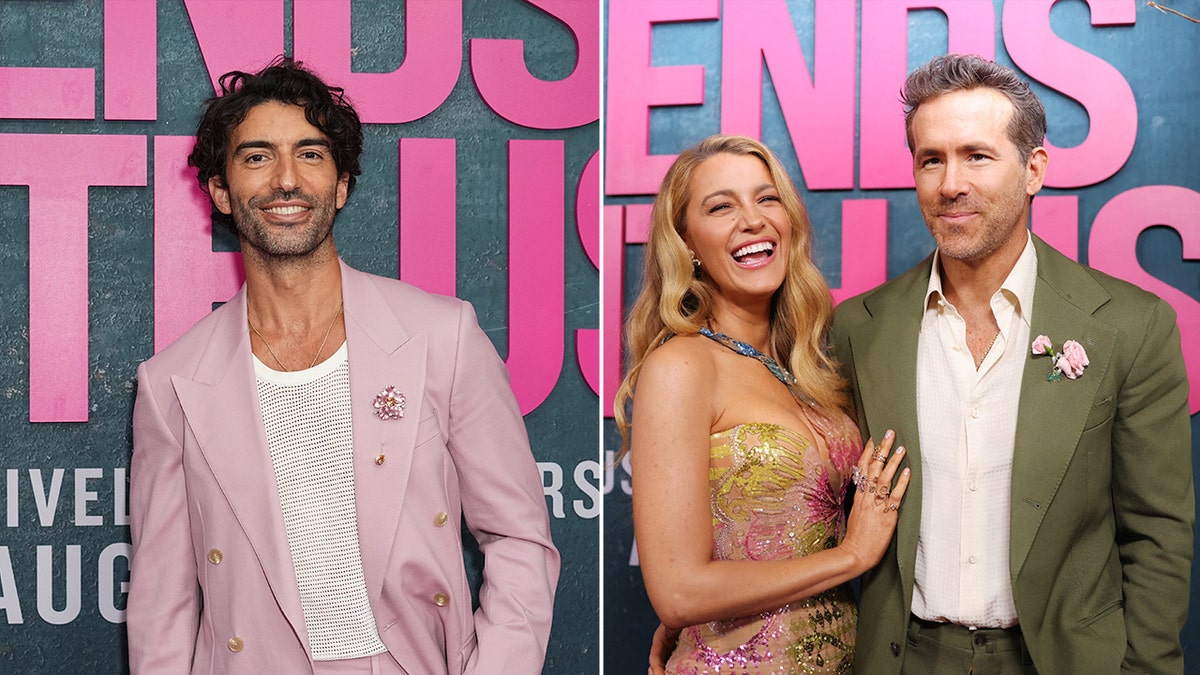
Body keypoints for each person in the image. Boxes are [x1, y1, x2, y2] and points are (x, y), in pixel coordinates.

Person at [126, 57, 559, 674]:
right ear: (220, 189)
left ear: (341, 183)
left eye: (309, 154)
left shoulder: (441, 336)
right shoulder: (171, 383)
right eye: (255, 157)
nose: (285, 180)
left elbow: (519, 539)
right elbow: (160, 610)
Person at [830, 54, 1193, 673]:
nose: (950, 184)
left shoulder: (1131, 326)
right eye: (931, 159)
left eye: (977, 155)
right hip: (902, 658)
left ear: (1033, 169)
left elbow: (1158, 533)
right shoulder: (860, 328)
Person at [616, 134, 910, 673]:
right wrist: (852, 556)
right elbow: (679, 591)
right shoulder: (682, 366)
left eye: (766, 198)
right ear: (687, 246)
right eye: (721, 206)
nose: (752, 220)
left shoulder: (810, 370)